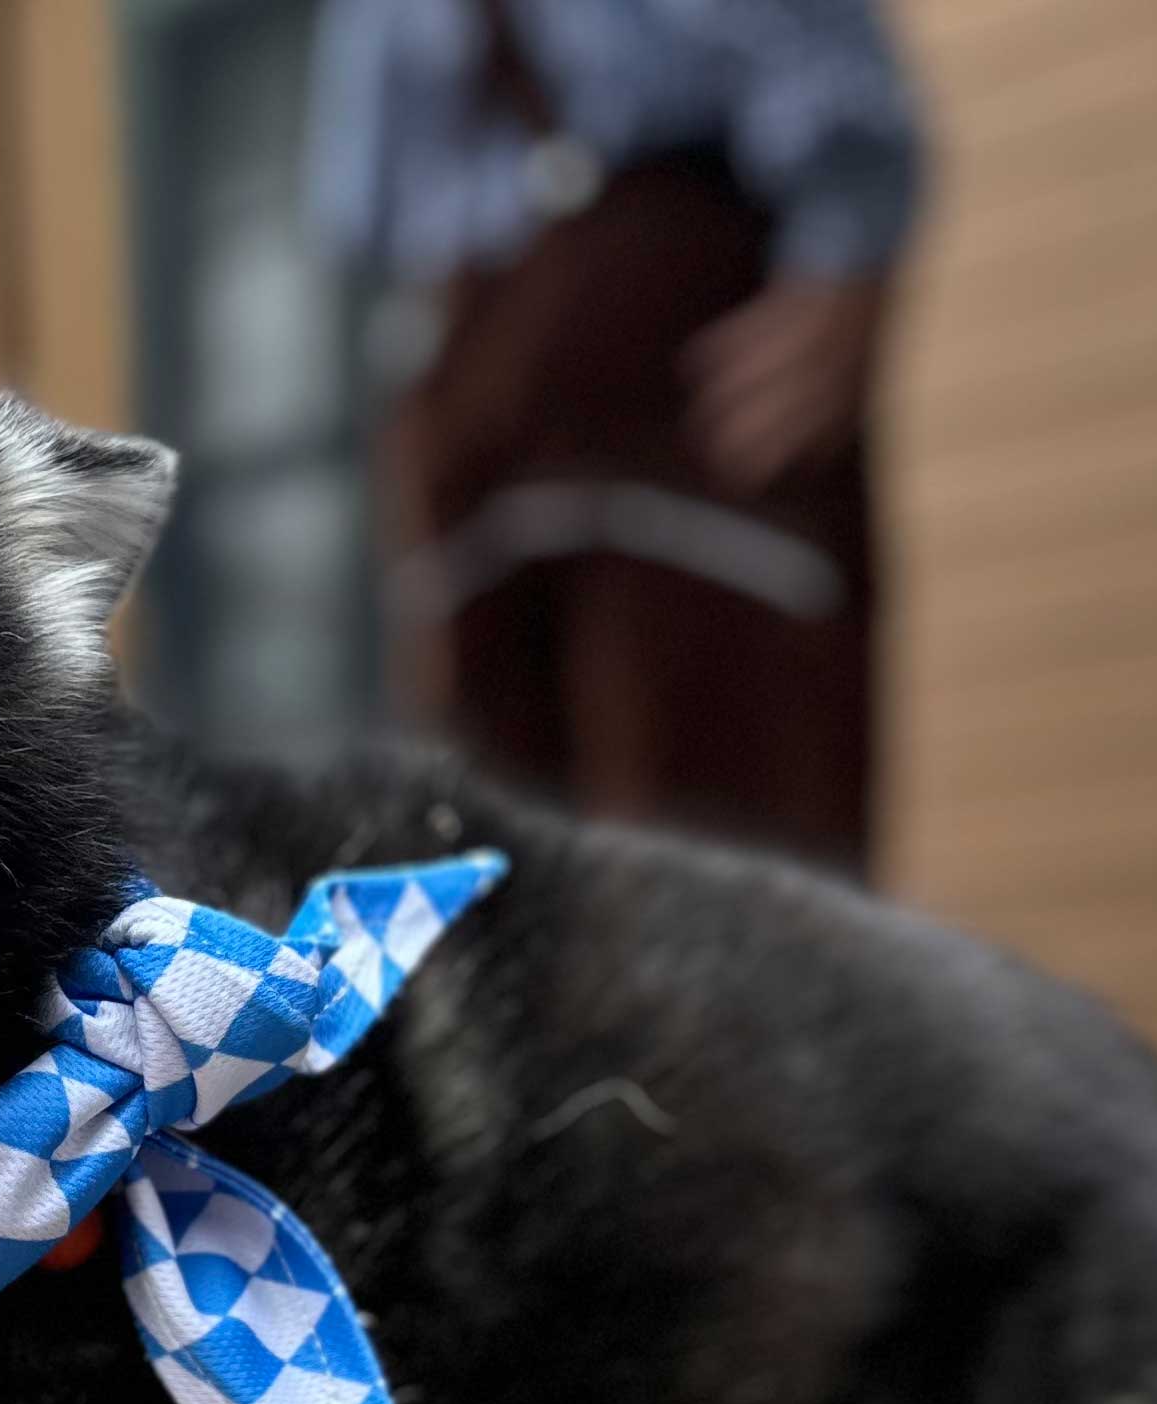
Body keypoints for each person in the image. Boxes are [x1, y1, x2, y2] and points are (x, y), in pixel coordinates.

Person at [309, 0, 925, 869]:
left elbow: (828, 95)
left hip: (689, 388)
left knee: (718, 886)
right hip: (478, 403)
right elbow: (372, 201)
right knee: (503, 897)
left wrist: (848, 253)